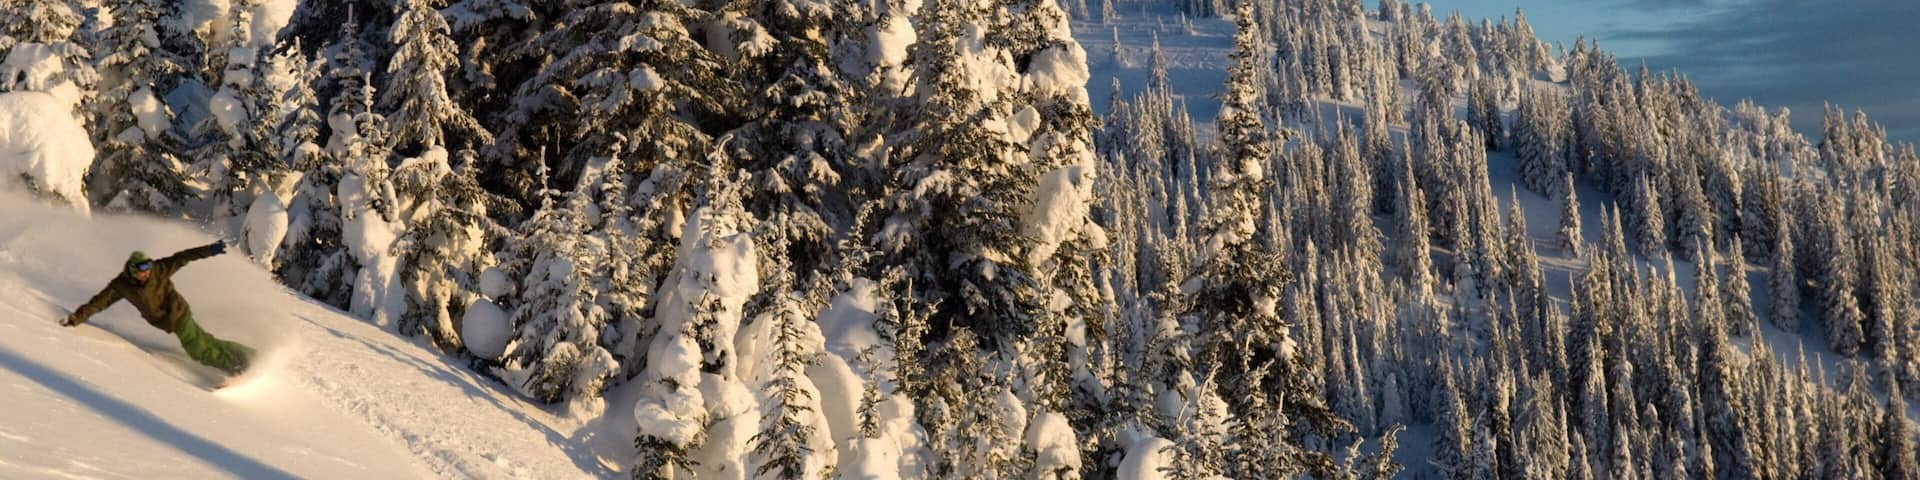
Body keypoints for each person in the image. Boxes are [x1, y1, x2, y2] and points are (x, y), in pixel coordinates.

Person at [61, 241, 254, 375]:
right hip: (165, 321)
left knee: (197, 349)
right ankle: (247, 355)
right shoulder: (121, 286)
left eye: (148, 267)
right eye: (142, 269)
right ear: (132, 270)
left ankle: (236, 366)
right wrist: (75, 319)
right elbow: (98, 303)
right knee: (205, 341)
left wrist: (210, 250)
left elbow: (183, 257)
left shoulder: (159, 270)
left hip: (177, 312)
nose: (147, 273)